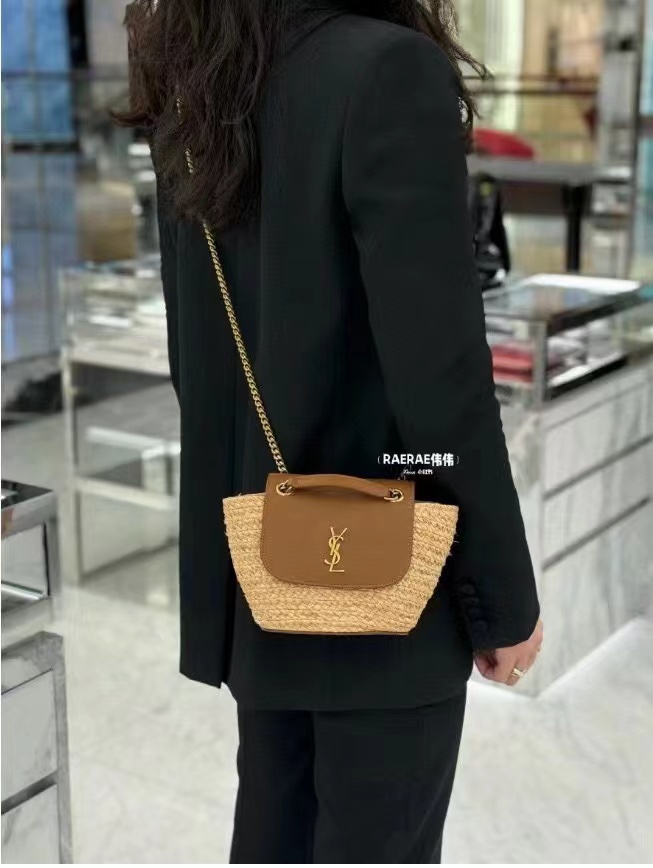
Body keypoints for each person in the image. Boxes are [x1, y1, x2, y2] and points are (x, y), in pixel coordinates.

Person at [119, 0, 543, 862]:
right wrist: (502, 600)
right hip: (383, 582)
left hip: (264, 565)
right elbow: (441, 386)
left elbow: (194, 358)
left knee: (274, 832)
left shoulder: (197, 84)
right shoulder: (386, 69)